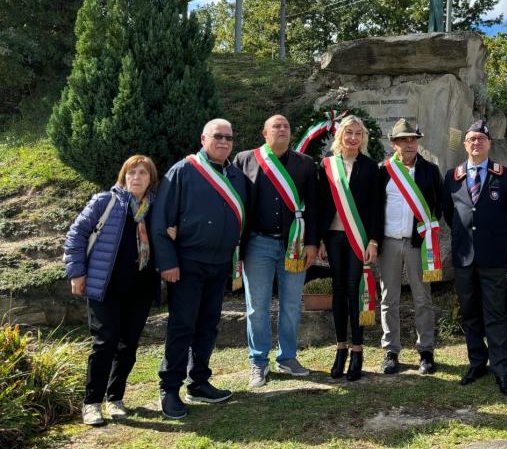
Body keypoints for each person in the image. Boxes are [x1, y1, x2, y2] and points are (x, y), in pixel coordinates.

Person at [151, 118, 250, 419]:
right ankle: (169, 388)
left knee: (208, 324)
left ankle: (199, 382)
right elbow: (160, 221)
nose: (224, 142)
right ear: (203, 138)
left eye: (229, 138)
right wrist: (167, 262)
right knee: (182, 326)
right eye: (218, 136)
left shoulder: (235, 176)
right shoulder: (183, 171)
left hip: (220, 263)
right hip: (187, 263)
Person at [64, 155, 160, 426]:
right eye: (131, 173)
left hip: (140, 287)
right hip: (105, 286)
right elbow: (76, 234)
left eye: (142, 173)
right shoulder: (105, 202)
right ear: (123, 176)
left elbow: (163, 239)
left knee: (128, 344)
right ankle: (92, 403)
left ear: (150, 178)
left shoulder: (154, 208)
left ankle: (115, 398)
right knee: (104, 342)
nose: (136, 178)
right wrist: (76, 272)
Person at [234, 114, 319, 388]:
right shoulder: (245, 159)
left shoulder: (305, 163)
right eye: (276, 126)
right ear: (264, 132)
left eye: (286, 126)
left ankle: (288, 357)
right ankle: (258, 362)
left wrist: (312, 243)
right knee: (256, 307)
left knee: (292, 305)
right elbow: (235, 202)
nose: (282, 129)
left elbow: (314, 207)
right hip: (257, 243)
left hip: (293, 244)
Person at [442, 120, 507, 396]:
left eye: (481, 139)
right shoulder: (452, 177)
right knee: (470, 313)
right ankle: (477, 362)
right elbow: (448, 214)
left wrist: (497, 238)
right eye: (471, 139)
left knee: (496, 314)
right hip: (464, 258)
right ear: (465, 145)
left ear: (489, 144)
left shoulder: (504, 175)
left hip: (493, 258)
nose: (476, 143)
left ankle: (502, 370)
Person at [375, 119, 443, 376]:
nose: (409, 144)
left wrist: (428, 231)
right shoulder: (383, 170)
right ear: (394, 144)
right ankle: (391, 350)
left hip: (418, 244)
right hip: (389, 242)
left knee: (422, 298)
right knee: (388, 299)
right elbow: (374, 207)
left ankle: (426, 350)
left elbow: (437, 205)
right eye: (404, 140)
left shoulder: (430, 170)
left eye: (413, 139)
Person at [318, 115, 381, 382]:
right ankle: (340, 349)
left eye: (358, 133)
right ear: (340, 136)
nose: (353, 137)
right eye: (348, 133)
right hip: (333, 237)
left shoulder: (370, 167)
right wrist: (319, 239)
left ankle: (357, 350)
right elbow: (320, 203)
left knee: (355, 290)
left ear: (363, 138)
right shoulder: (327, 166)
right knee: (338, 291)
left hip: (359, 238)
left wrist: (374, 240)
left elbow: (378, 207)